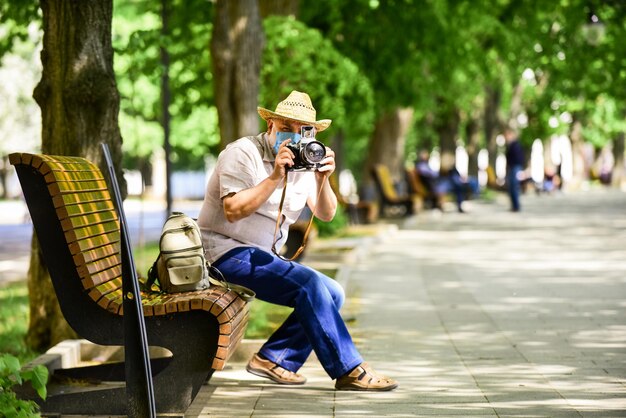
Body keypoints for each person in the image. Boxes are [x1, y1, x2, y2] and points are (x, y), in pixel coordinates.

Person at [196, 90, 397, 391]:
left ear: (313, 133)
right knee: (311, 286)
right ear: (271, 126)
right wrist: (275, 175)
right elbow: (233, 210)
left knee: (334, 292)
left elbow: (327, 214)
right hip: (223, 252)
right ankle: (350, 369)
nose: (293, 137)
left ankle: (273, 359)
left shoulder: (307, 163)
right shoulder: (242, 153)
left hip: (262, 256)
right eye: (285, 127)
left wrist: (323, 178)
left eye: (303, 130)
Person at [504, 128, 525, 212]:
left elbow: (518, 158)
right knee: (512, 187)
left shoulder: (515, 145)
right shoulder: (512, 145)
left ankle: (516, 206)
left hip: (515, 167)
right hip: (513, 167)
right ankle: (515, 205)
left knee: (513, 186)